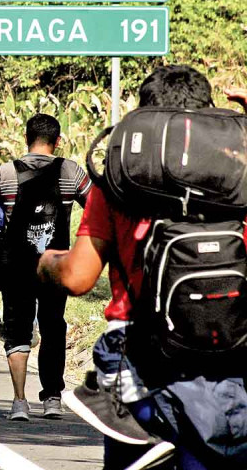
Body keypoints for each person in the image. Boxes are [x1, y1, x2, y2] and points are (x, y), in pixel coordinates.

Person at [38, 65, 247, 469]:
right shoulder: (237, 177)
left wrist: (45, 264)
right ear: (208, 112)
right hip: (231, 353)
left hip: (140, 358)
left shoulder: (120, 176)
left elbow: (79, 277)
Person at [0, 113, 91, 421]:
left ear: (25, 138)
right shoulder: (71, 170)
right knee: (53, 325)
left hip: (16, 263)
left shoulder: (4, 172)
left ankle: (19, 402)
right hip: (55, 265)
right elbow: (95, 204)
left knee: (19, 329)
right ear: (57, 142)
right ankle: (52, 398)